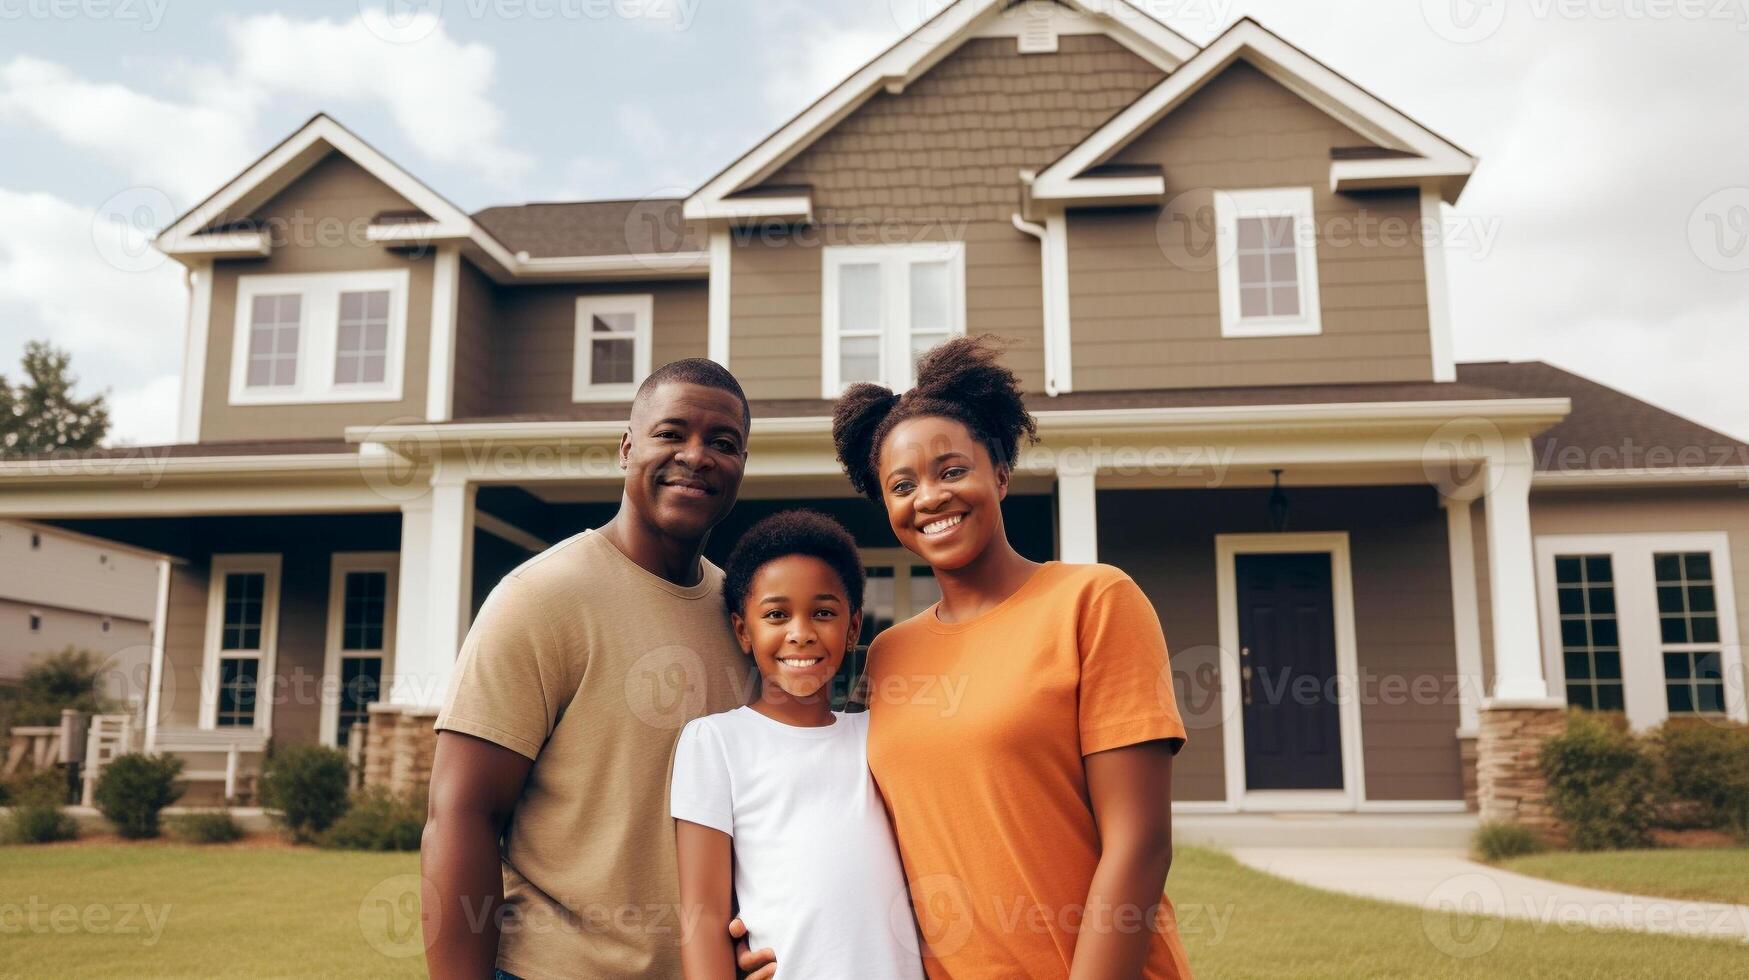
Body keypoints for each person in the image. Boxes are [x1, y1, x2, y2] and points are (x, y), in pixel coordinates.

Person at [831, 336, 1195, 979]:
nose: (930, 498)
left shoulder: (1093, 602)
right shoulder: (886, 656)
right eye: (901, 484)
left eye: (951, 470)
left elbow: (1140, 845)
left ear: (1000, 471)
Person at [421, 358, 775, 980]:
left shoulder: (743, 614)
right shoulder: (542, 596)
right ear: (626, 447)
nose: (697, 456)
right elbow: (462, 814)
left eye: (724, 443)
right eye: (671, 434)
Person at [670, 510, 925, 980]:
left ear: (852, 630)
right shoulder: (715, 743)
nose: (801, 632)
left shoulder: (879, 735)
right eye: (776, 615)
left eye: (823, 613)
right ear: (744, 631)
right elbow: (702, 916)